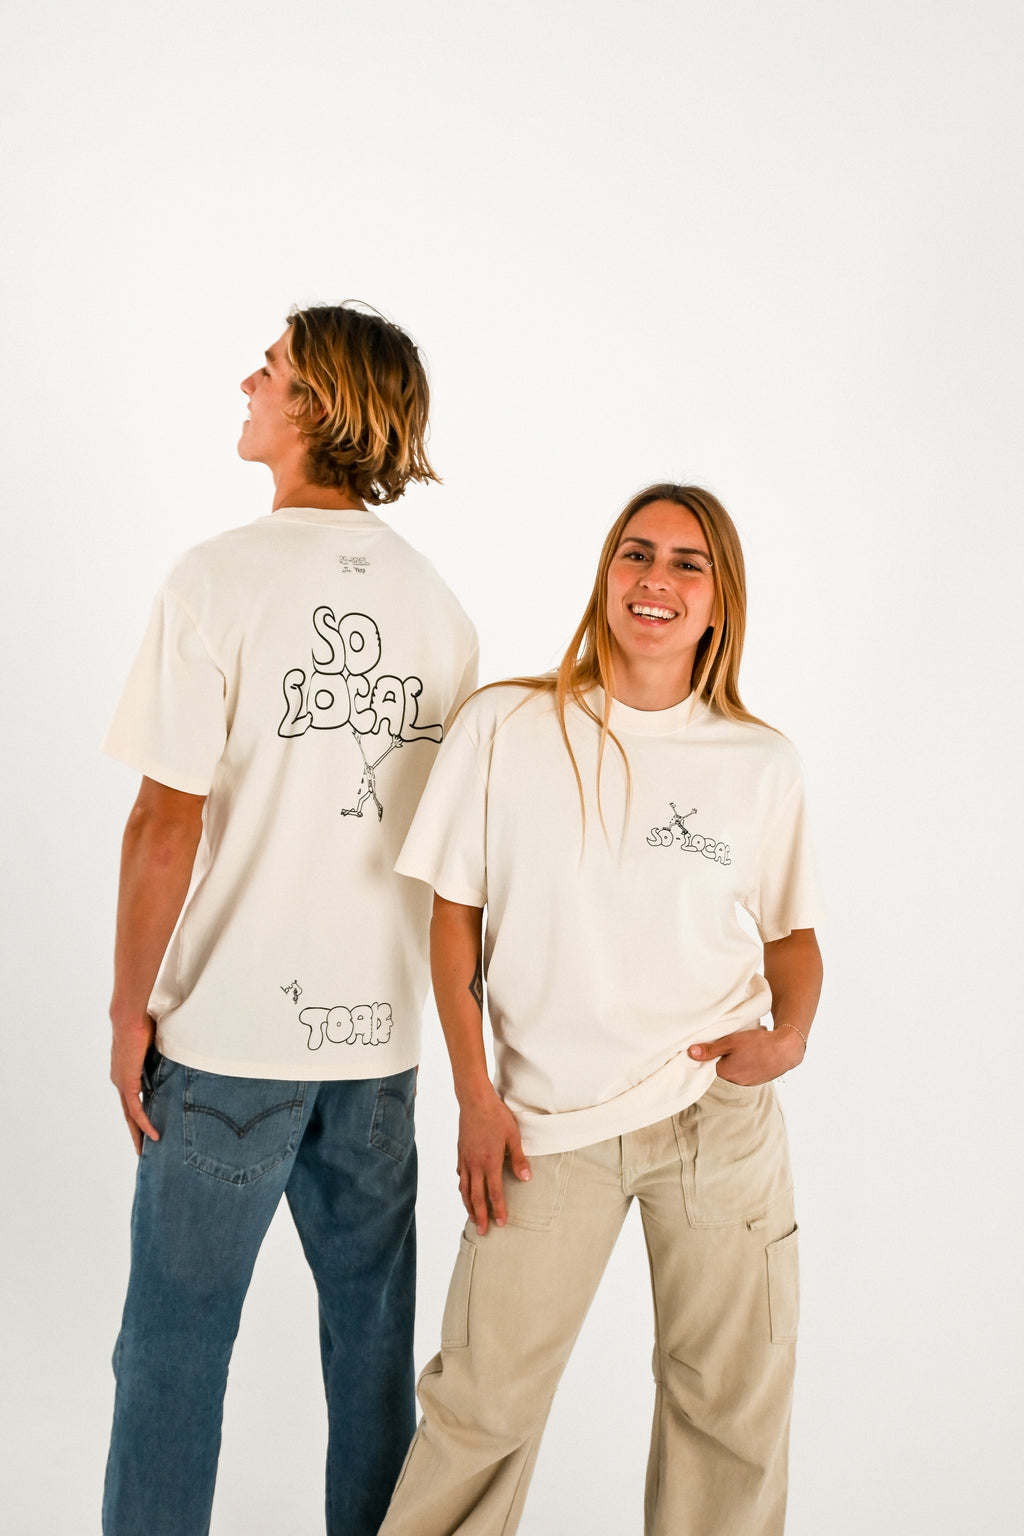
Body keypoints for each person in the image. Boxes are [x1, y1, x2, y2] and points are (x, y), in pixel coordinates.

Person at [380, 484, 825, 1536]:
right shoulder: (508, 723)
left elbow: (792, 937)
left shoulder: (760, 762)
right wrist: (473, 1094)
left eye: (685, 563)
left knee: (729, 1412)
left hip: (717, 1121)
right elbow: (452, 919)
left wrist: (790, 1033)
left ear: (719, 600)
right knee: (478, 1407)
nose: (654, 581)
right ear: (605, 575)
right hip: (543, 1129)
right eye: (636, 555)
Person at [101, 304, 478, 1536]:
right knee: (370, 1373)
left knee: (170, 1360)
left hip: (227, 1047)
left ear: (313, 406)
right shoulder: (441, 610)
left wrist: (125, 1010)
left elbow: (166, 824)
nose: (248, 382)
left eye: (267, 369)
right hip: (378, 1051)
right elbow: (460, 859)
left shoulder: (218, 579)